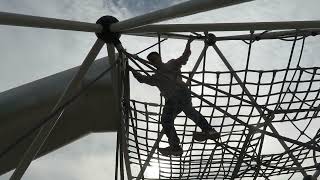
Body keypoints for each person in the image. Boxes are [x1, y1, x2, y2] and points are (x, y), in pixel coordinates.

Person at [131, 37, 220, 156]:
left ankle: (177, 145)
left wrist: (188, 43)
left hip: (177, 95)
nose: (154, 61)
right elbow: (142, 79)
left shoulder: (171, 64)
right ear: (151, 63)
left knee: (170, 118)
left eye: (155, 58)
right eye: (152, 60)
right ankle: (207, 131)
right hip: (179, 97)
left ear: (159, 58)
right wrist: (131, 69)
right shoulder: (156, 77)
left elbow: (184, 57)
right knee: (186, 113)